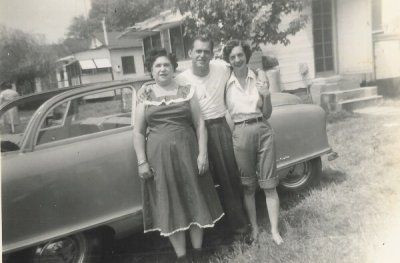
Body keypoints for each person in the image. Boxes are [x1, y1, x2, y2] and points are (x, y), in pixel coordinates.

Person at [133, 48, 224, 263]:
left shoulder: (187, 91)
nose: (162, 69)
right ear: (151, 71)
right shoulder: (145, 95)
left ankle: (198, 254)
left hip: (188, 154)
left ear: (173, 68)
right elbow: (137, 132)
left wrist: (202, 154)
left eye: (166, 65)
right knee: (170, 203)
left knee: (193, 199)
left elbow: (200, 123)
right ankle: (182, 258)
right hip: (160, 159)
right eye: (157, 66)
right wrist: (141, 161)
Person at [175, 34, 249, 241]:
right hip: (193, 131)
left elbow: (243, 67)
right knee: (199, 183)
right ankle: (208, 234)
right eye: (198, 51)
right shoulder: (180, 79)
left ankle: (240, 231)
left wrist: (260, 74)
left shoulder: (222, 68)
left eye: (206, 51)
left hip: (218, 127)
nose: (202, 55)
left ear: (212, 54)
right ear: (190, 53)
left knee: (229, 180)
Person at [223, 40, 283, 245]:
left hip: (262, 129)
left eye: (240, 55)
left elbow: (267, 113)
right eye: (232, 57)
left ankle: (275, 231)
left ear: (246, 56)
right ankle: (255, 229)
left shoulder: (258, 77)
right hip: (240, 132)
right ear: (228, 61)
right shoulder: (225, 83)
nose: (237, 59)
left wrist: (266, 96)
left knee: (269, 184)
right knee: (248, 186)